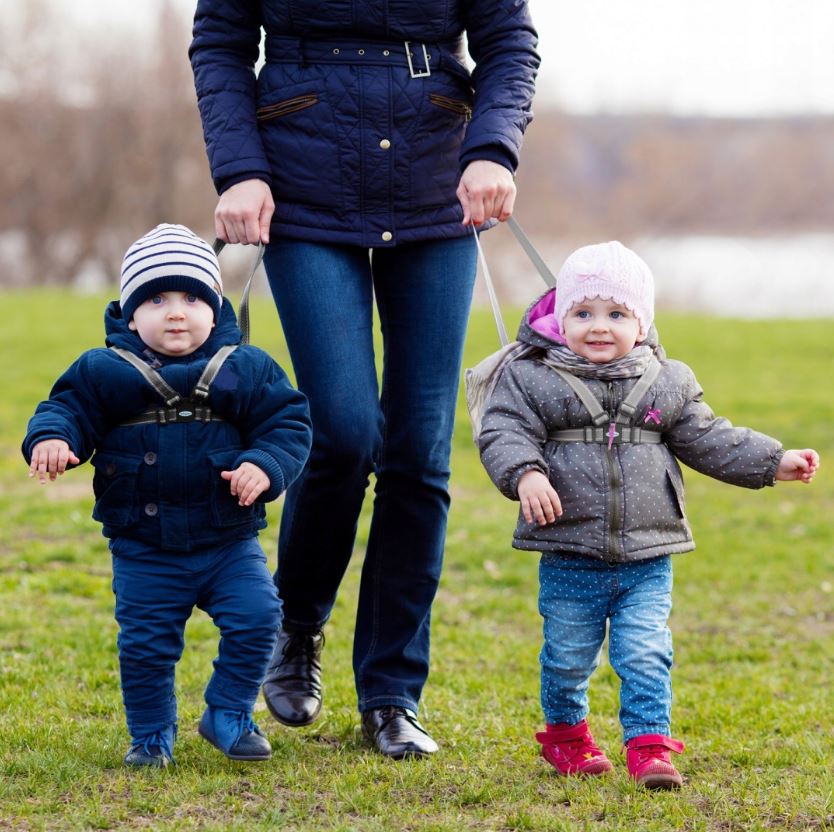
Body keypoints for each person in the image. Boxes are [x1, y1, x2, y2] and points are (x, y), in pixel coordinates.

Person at [189, 1, 539, 757]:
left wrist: (493, 150)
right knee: (342, 433)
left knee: (418, 451)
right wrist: (241, 169)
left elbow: (509, 40)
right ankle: (298, 625)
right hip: (303, 186)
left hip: (435, 186)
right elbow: (219, 41)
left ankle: (391, 693)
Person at [477, 241, 820, 788]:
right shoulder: (532, 377)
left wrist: (775, 461)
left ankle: (649, 747)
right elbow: (502, 430)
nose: (598, 327)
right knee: (568, 658)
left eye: (617, 314)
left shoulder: (667, 381)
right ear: (559, 316)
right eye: (583, 313)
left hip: (648, 553)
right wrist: (526, 473)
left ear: (642, 322)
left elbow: (711, 438)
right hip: (570, 550)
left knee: (645, 652)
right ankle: (566, 738)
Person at [22, 224, 312, 768]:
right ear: (130, 315)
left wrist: (264, 464)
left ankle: (228, 711)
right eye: (156, 299)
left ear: (215, 307)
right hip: (145, 547)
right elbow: (66, 408)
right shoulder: (104, 370)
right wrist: (55, 438)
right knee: (147, 647)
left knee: (258, 617)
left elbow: (289, 424)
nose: (176, 312)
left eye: (192, 298)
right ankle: (151, 736)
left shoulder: (245, 368)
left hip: (228, 541)